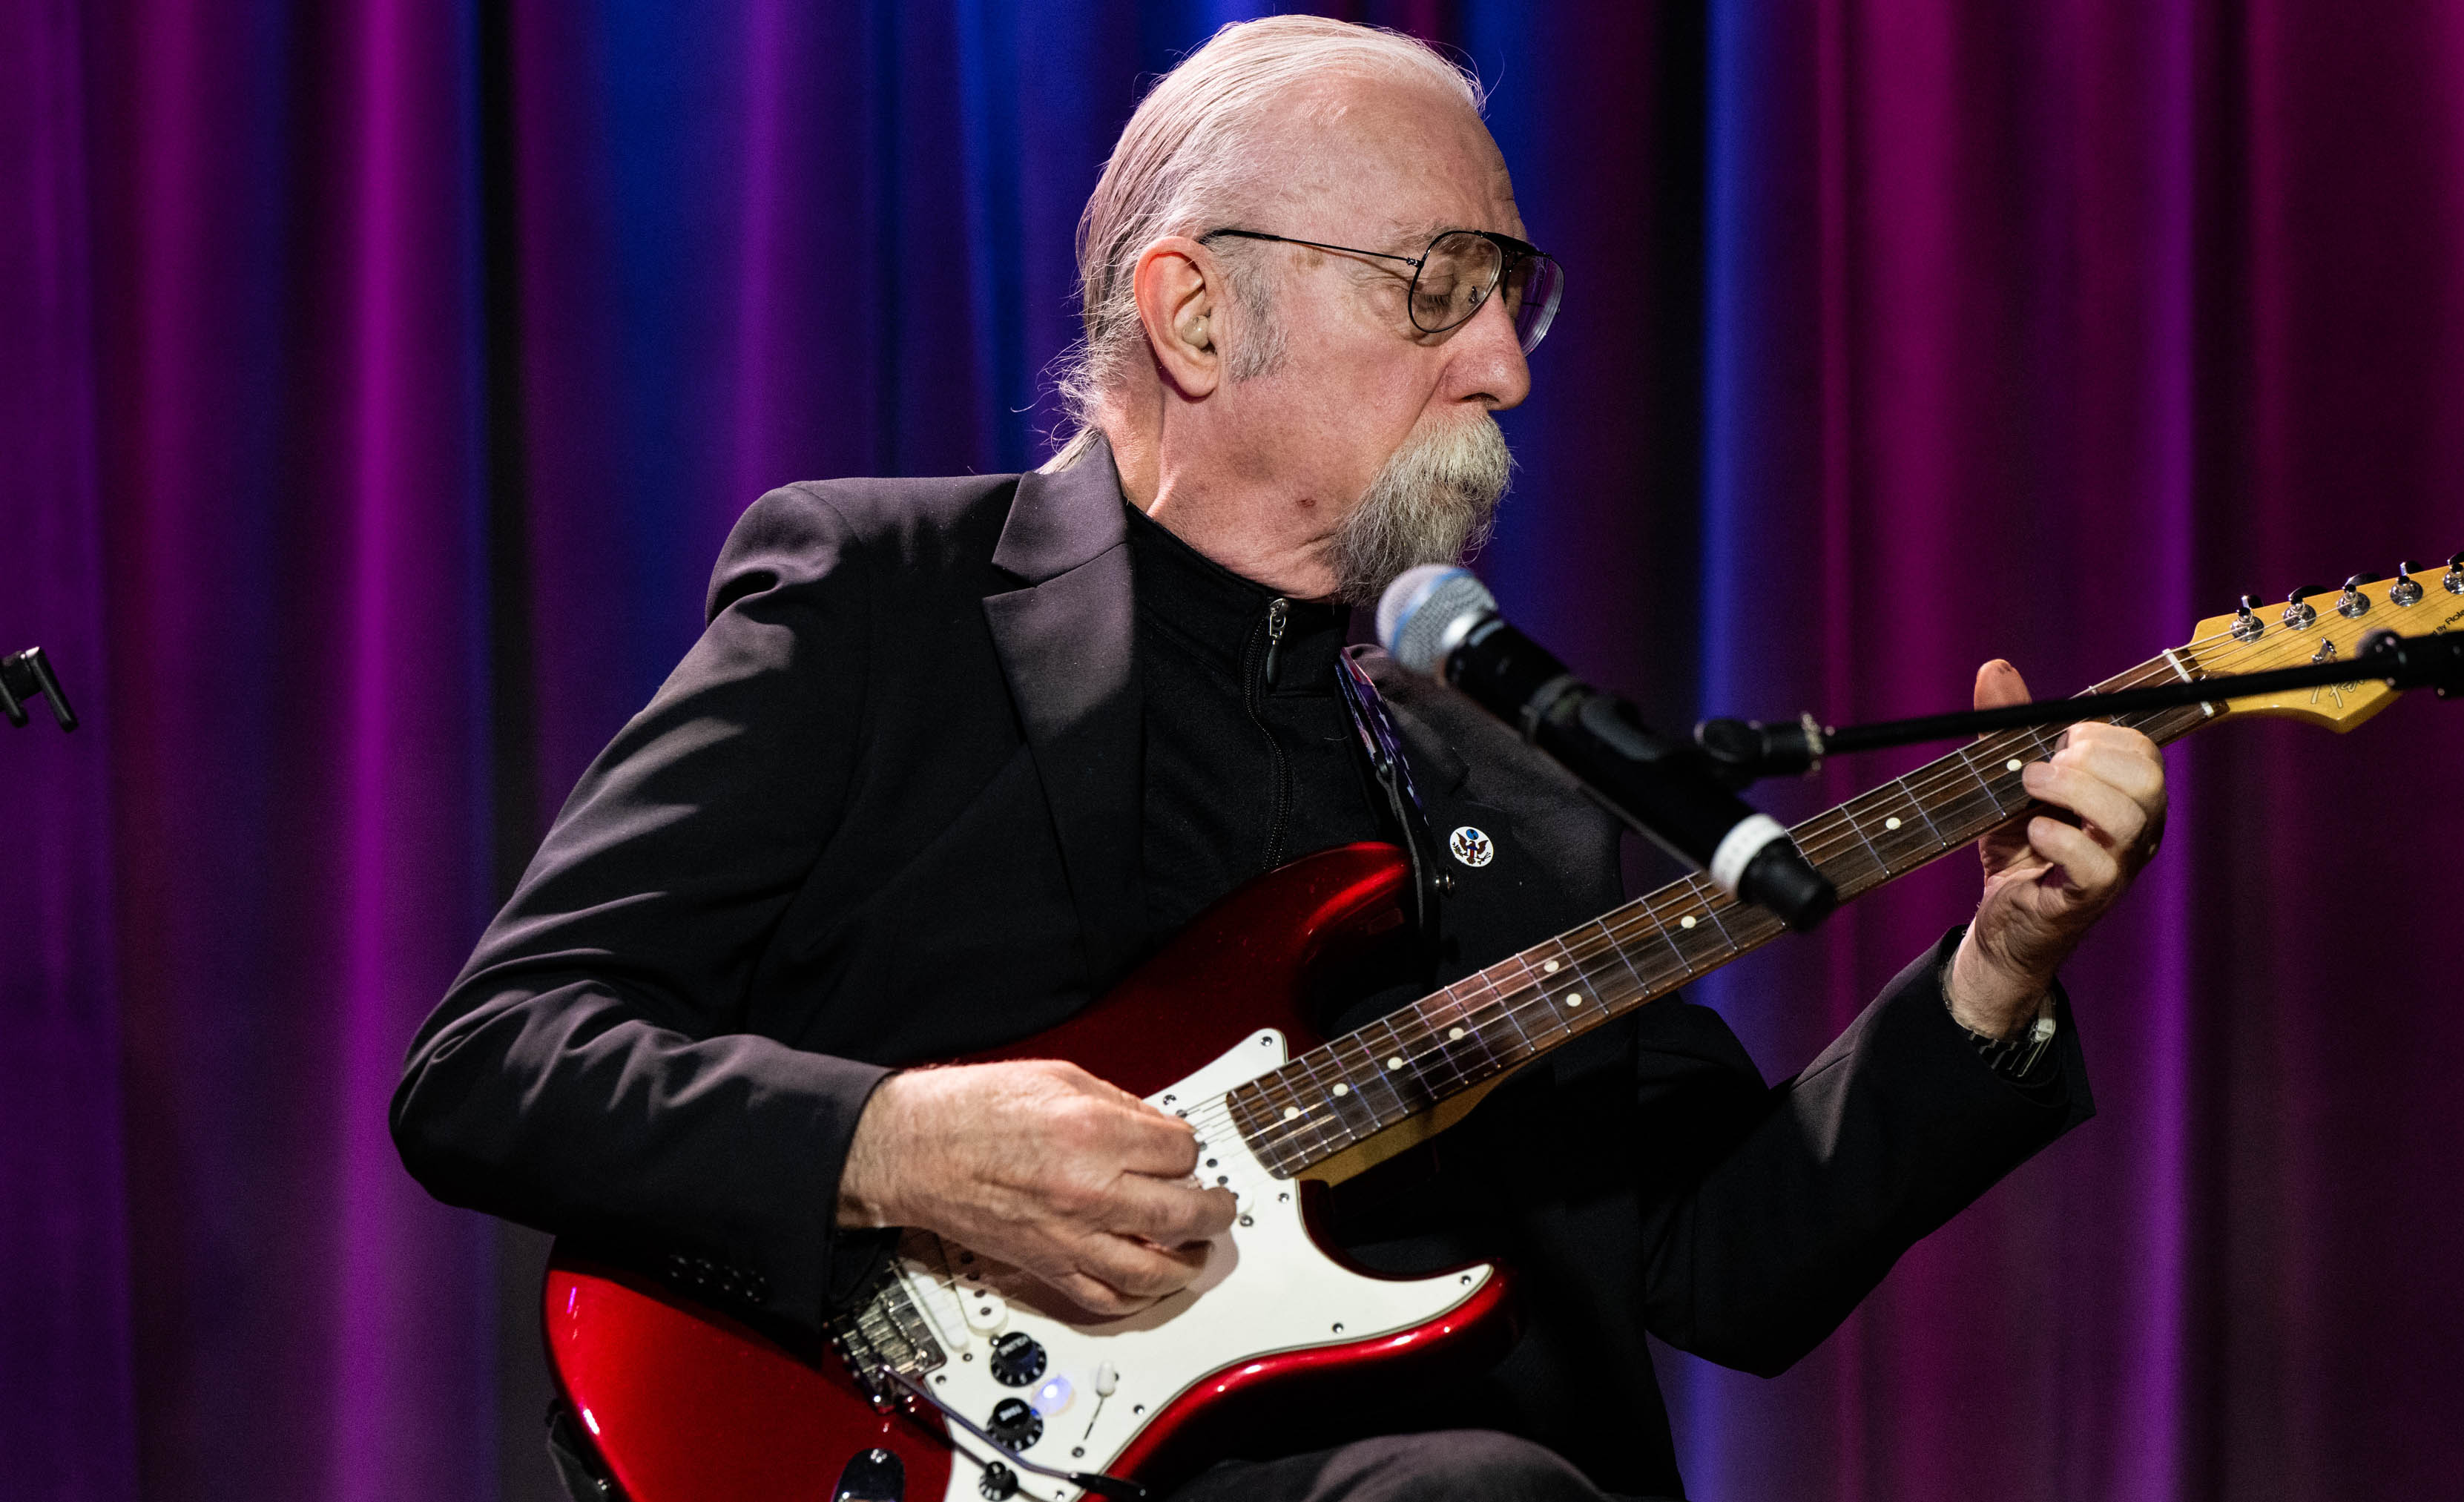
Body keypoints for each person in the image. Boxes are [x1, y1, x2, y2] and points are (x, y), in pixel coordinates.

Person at [392, 17, 2167, 1501]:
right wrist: (890, 1139)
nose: (1503, 365)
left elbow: (1721, 1258)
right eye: (1441, 285)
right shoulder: (889, 603)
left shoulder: (1515, 781)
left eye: (1514, 296)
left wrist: (1998, 968)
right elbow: (496, 1058)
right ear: (1198, 313)